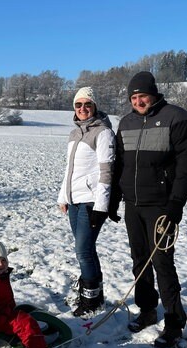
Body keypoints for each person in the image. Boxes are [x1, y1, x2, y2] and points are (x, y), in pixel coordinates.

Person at [114, 71, 187, 348]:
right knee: (139, 259)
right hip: (133, 204)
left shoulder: (178, 118)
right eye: (134, 97)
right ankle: (147, 310)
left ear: (154, 94)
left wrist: (176, 204)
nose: (138, 101)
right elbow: (120, 165)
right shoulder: (126, 123)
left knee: (162, 262)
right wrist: (115, 199)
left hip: (162, 205)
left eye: (143, 96)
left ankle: (174, 322)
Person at [57, 86, 120, 317]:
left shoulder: (103, 132)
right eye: (78, 104)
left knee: (83, 251)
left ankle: (91, 301)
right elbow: (69, 170)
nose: (83, 108)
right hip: (74, 201)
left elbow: (107, 172)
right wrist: (63, 197)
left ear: (95, 106)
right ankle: (94, 295)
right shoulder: (74, 133)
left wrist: (101, 207)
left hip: (91, 202)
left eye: (87, 104)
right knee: (86, 250)